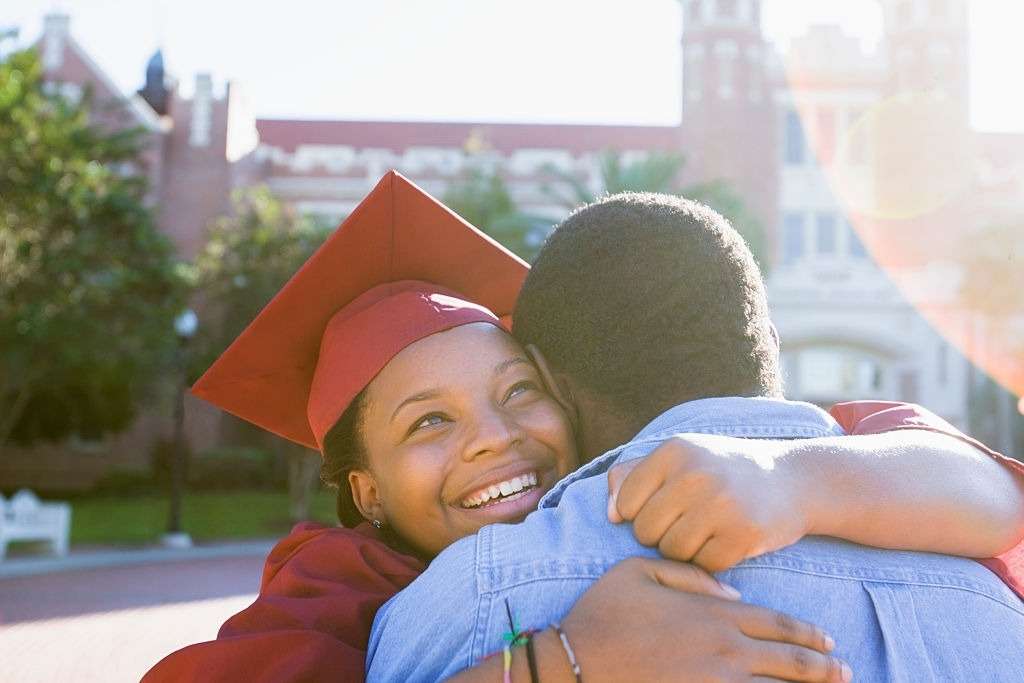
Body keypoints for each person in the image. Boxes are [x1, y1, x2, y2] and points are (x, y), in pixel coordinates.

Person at [145, 174, 1024, 682]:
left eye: (519, 390)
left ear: (564, 391)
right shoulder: (342, 584)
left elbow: (989, 486)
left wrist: (793, 478)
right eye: (429, 421)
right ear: (366, 492)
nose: (493, 438)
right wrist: (560, 660)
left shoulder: (790, 459)